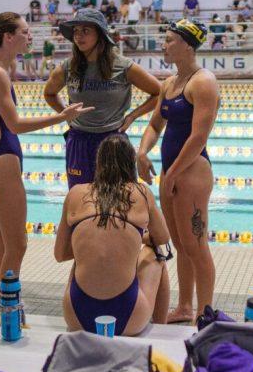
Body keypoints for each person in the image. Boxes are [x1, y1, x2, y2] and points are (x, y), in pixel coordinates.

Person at [0, 13, 89, 302]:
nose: (30, 36)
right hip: (3, 163)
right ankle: (9, 304)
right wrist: (61, 117)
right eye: (25, 32)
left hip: (1, 161)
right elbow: (14, 125)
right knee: (18, 245)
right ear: (7, 36)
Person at [137, 19, 219, 323]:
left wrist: (171, 174)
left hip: (192, 172)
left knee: (196, 245)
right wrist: (142, 151)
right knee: (180, 243)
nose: (164, 45)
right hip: (171, 172)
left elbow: (199, 136)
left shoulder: (203, 82)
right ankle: (185, 307)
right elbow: (155, 124)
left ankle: (204, 312)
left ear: (187, 44)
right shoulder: (169, 84)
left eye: (170, 40)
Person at [56, 134, 172, 336]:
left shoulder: (75, 193)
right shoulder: (141, 192)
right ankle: (160, 331)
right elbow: (162, 238)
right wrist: (134, 240)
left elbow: (60, 254)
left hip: (77, 315)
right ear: (131, 164)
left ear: (98, 163)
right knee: (157, 255)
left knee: (79, 260)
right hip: (130, 316)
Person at [45, 9, 161, 188]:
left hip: (113, 141)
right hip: (79, 141)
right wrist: (65, 114)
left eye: (85, 31)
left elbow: (158, 92)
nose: (78, 36)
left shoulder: (122, 66)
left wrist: (132, 116)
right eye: (76, 31)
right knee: (81, 201)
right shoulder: (68, 67)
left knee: (119, 202)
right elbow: (49, 93)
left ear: (100, 34)